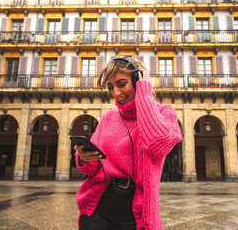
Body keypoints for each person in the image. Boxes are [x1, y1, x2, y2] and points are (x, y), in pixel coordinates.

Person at [74, 55, 182, 230]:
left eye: (122, 84)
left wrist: (144, 97)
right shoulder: (108, 117)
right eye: (111, 87)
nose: (116, 93)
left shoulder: (165, 113)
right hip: (99, 206)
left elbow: (157, 146)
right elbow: (90, 169)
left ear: (138, 80)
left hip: (135, 211)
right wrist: (84, 159)